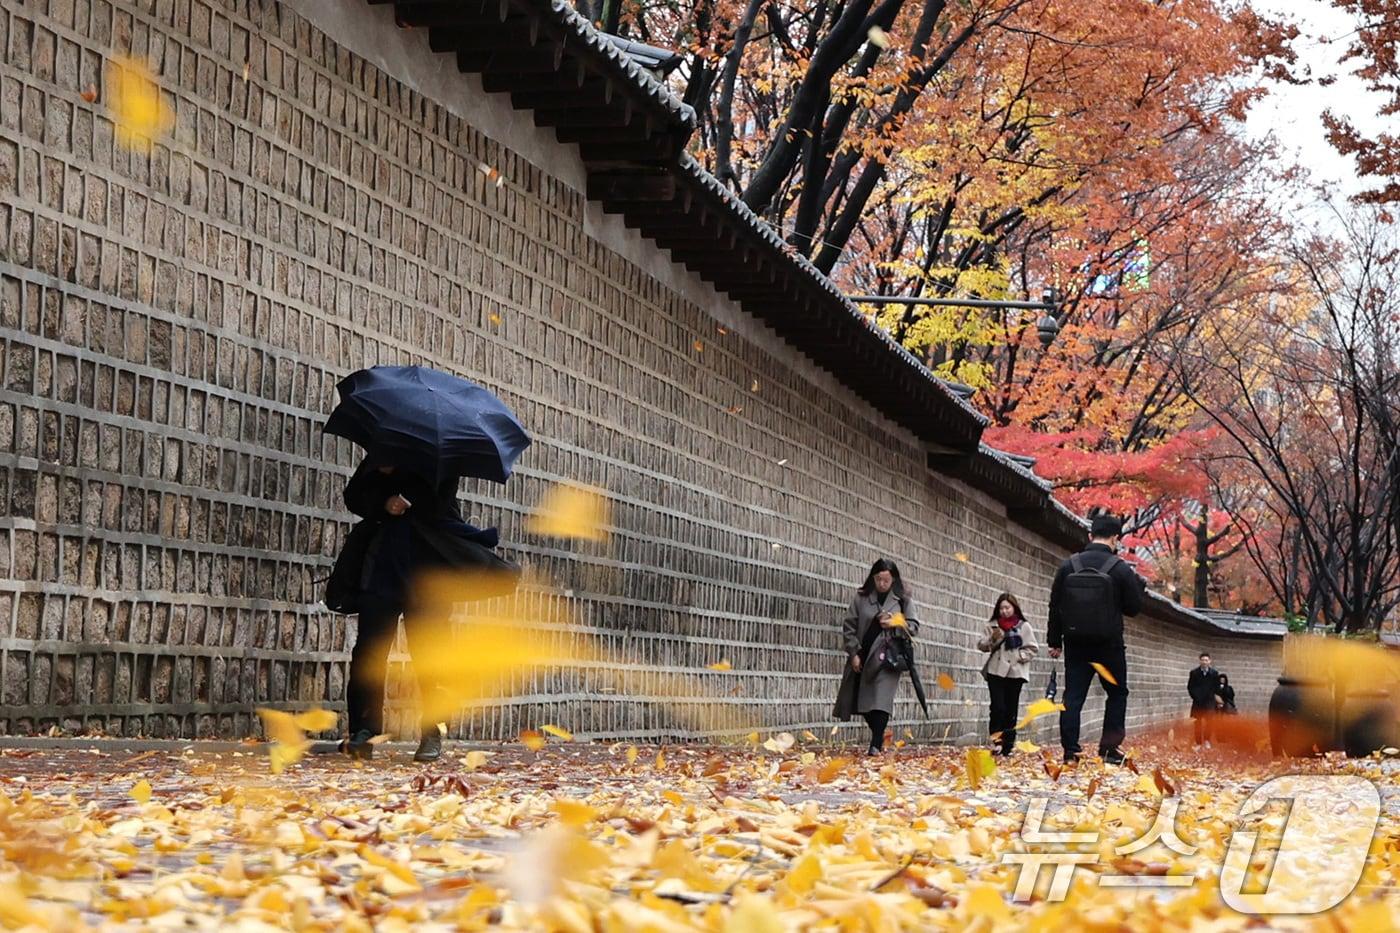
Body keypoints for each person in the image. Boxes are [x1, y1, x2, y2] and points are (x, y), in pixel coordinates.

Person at [326, 457, 514, 763]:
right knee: (369, 652)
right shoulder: (386, 449)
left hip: (430, 571)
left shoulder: (443, 455)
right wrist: (384, 497)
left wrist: (406, 493)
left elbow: (441, 503)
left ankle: (432, 733)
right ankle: (364, 732)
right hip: (383, 567)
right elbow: (354, 496)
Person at [1046, 514, 1146, 765]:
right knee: (1117, 693)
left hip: (1076, 643)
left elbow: (1055, 605)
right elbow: (1133, 608)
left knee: (1072, 698)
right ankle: (1109, 749)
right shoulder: (1120, 568)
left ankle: (1071, 752)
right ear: (1115, 538)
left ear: (1090, 536)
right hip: (1109, 645)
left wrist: (1054, 640)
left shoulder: (1069, 565)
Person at [832, 559, 920, 756]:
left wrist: (895, 624)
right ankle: (878, 736)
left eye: (886, 580)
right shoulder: (861, 598)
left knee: (881, 699)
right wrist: (853, 653)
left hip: (888, 657)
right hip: (864, 654)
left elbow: (914, 627)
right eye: (879, 579)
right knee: (863, 701)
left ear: (893, 580)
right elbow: (849, 627)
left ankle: (875, 743)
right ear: (873, 578)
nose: (882, 584)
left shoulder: (902, 599)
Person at [977, 593, 1040, 756]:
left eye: (1007, 607)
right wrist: (992, 639)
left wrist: (1019, 657)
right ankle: (996, 741)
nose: (1004, 611)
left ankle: (1008, 744)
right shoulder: (992, 626)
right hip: (995, 670)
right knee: (997, 707)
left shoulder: (1023, 626)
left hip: (1015, 672)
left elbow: (1033, 648)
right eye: (1001, 608)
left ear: (1014, 608)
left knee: (1011, 709)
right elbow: (981, 645)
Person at [1188, 652, 1223, 748]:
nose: (1204, 662)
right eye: (1202, 660)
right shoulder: (1194, 673)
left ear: (1210, 661)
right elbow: (1190, 687)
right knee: (1197, 722)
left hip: (1209, 702)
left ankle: (1207, 740)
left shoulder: (1214, 674)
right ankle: (1198, 742)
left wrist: (1214, 698)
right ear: (1200, 661)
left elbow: (1216, 688)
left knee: (1209, 722)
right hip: (1198, 701)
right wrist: (1196, 696)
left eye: (1206, 660)